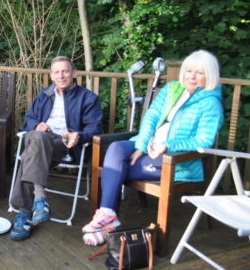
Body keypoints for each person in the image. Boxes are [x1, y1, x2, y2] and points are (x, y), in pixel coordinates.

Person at [82, 50, 224, 246]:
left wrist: (168, 146)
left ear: (210, 75)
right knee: (115, 148)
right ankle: (107, 215)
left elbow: (204, 141)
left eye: (199, 73)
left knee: (114, 169)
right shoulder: (172, 89)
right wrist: (141, 145)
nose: (192, 76)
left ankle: (107, 226)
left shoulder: (210, 103)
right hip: (148, 146)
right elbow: (152, 116)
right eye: (189, 71)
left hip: (174, 160)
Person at [9, 56, 103, 241]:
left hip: (66, 145)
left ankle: (24, 212)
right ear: (51, 76)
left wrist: (79, 135)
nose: (61, 76)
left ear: (74, 73)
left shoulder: (88, 98)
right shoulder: (45, 95)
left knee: (30, 153)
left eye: (65, 71)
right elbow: (29, 119)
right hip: (42, 141)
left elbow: (95, 128)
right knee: (37, 137)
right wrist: (37, 125)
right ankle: (39, 201)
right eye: (57, 72)